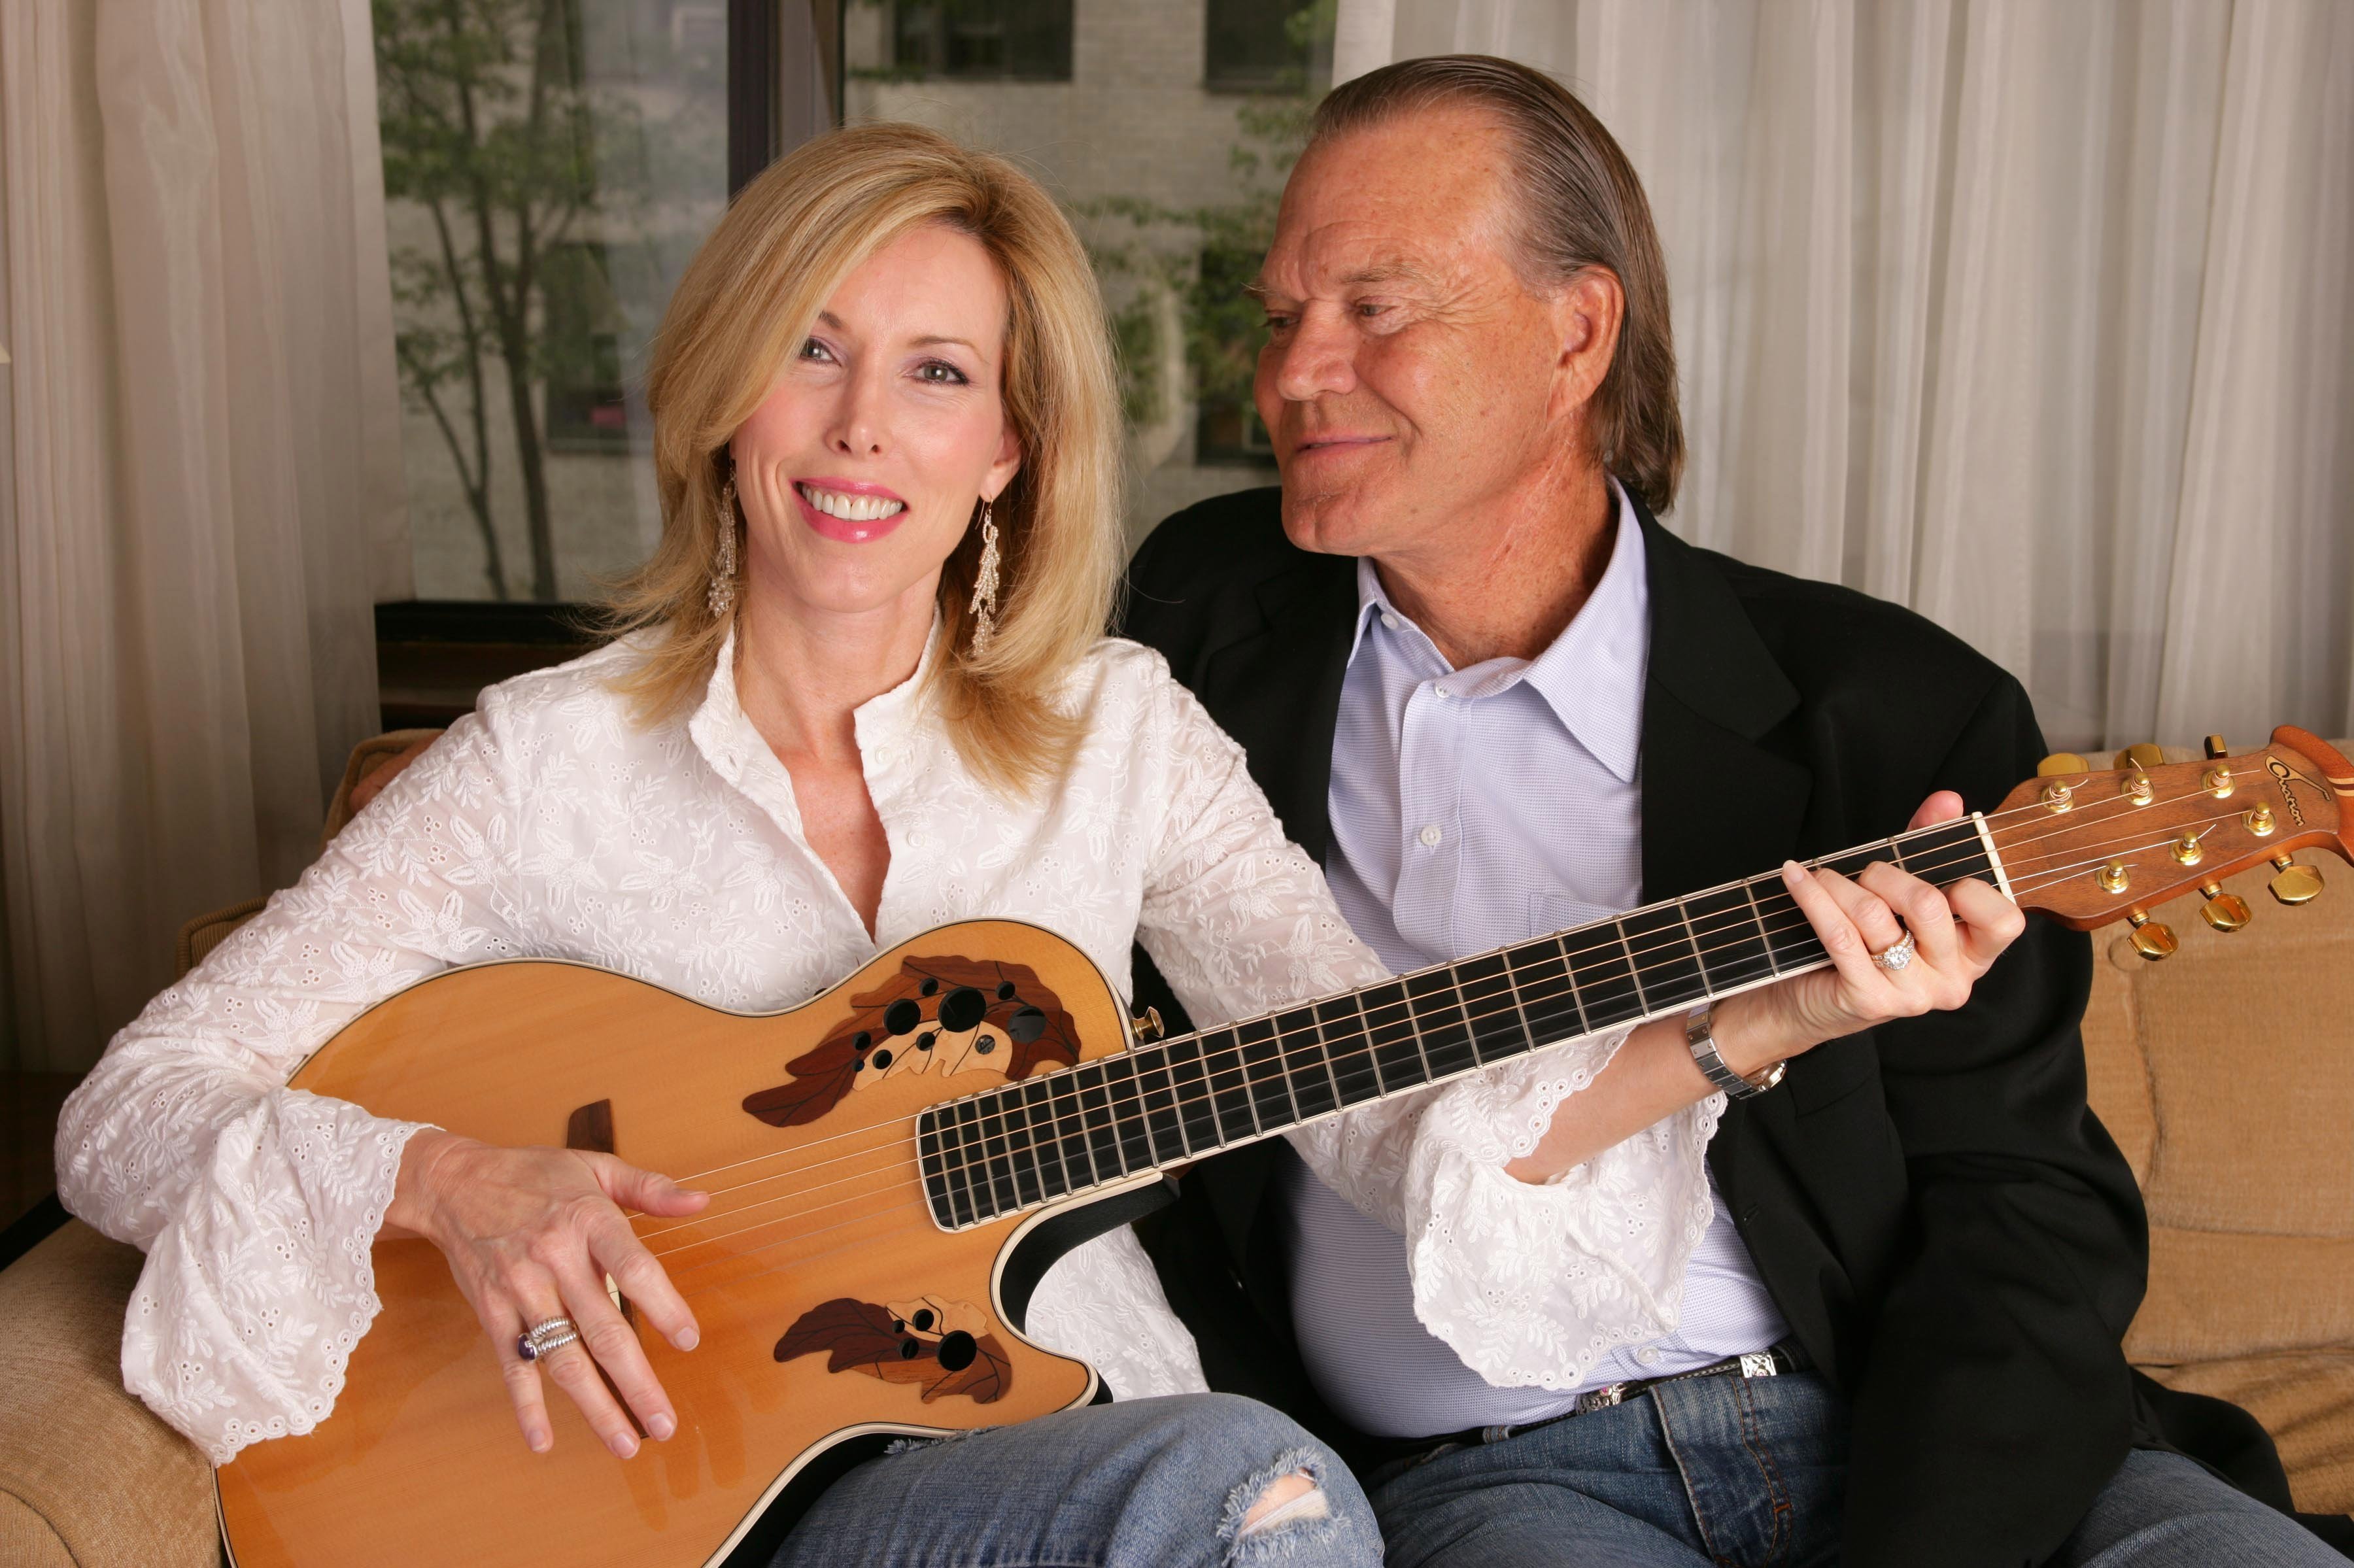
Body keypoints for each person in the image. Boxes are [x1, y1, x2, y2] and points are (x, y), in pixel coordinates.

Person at [61, 118, 2010, 1568]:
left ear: (1011, 446)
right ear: (725, 388)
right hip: (637, 1479)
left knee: (1237, 1484)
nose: (859, 430)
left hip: (1056, 1445)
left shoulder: (1126, 737)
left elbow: (1377, 1097)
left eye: (935, 374)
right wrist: (447, 1178)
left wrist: (1740, 1027)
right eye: (809, 350)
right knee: (1260, 1500)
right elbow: (130, 1105)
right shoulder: (535, 763)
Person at [1121, 55, 2347, 1568]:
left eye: (1376, 309)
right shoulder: (1192, 633)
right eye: (1281, 316)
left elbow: (2018, 1213)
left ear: (1577, 334)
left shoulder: (1899, 710)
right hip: (1494, 1485)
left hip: (1912, 1446)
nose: (1294, 372)